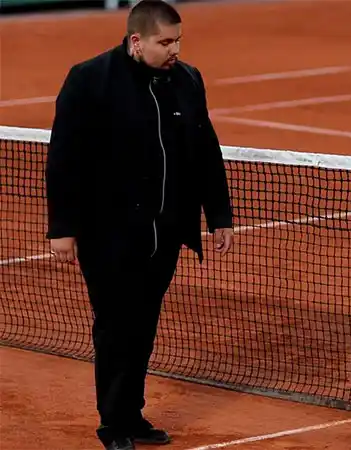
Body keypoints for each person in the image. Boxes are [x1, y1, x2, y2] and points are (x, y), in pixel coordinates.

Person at [45, 1, 234, 449]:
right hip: (106, 234)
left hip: (164, 232)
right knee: (115, 326)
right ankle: (113, 424)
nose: (175, 50)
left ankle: (131, 415)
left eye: (178, 40)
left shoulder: (188, 80)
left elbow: (205, 149)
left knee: (143, 324)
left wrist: (219, 215)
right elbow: (64, 157)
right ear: (136, 41)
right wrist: (61, 227)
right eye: (164, 42)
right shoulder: (90, 79)